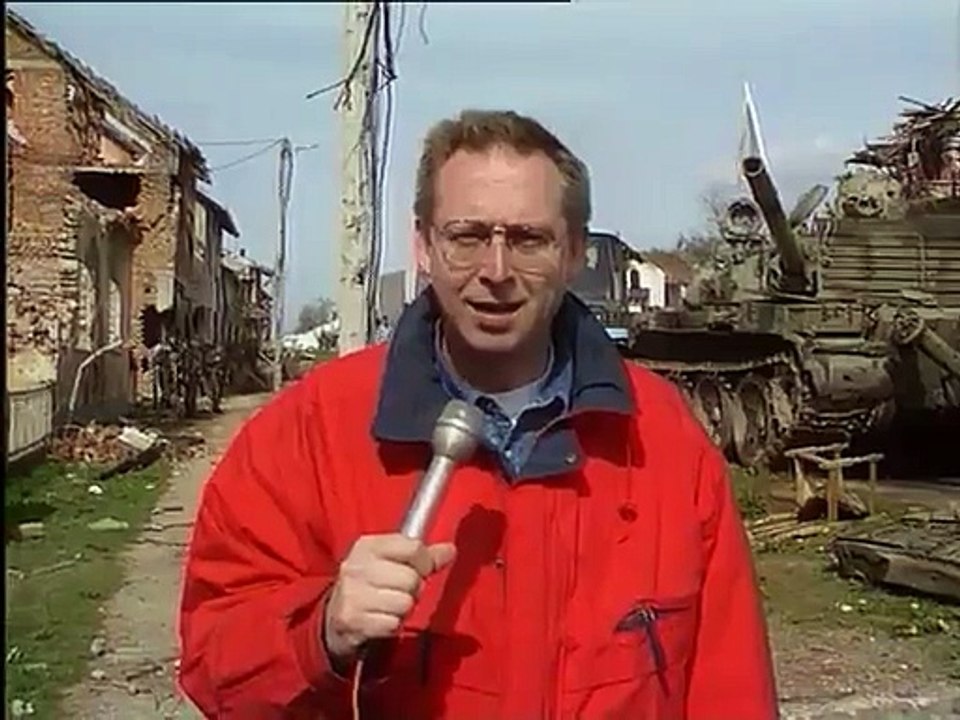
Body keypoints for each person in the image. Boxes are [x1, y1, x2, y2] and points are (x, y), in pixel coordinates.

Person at [177, 109, 778, 719]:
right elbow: (212, 661)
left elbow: (732, 691)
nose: (496, 272)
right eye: (467, 237)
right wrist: (321, 634)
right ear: (424, 246)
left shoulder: (661, 439)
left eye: (528, 239)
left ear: (574, 252)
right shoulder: (311, 431)